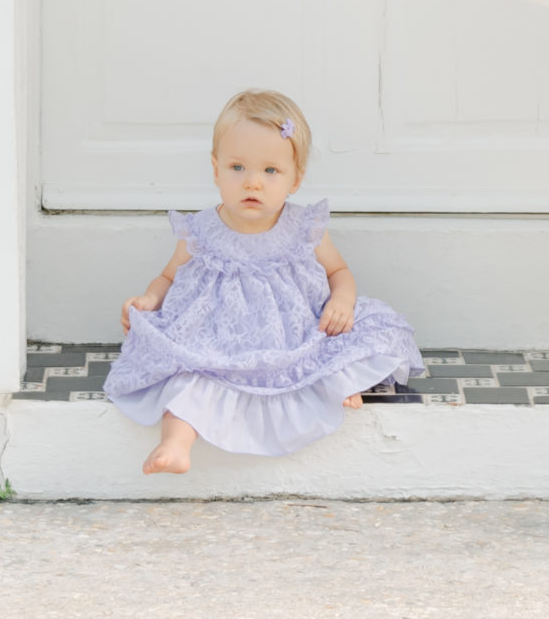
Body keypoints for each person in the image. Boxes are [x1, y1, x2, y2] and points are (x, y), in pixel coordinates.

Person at [105, 87, 424, 473]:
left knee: (342, 347)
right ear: (215, 168)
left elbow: (339, 271)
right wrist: (149, 299)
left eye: (270, 171)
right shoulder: (202, 230)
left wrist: (343, 299)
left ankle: (338, 388)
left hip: (296, 336)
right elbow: (168, 276)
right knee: (189, 379)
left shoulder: (304, 227)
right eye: (237, 168)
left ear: (296, 179)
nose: (252, 182)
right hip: (216, 342)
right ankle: (174, 444)